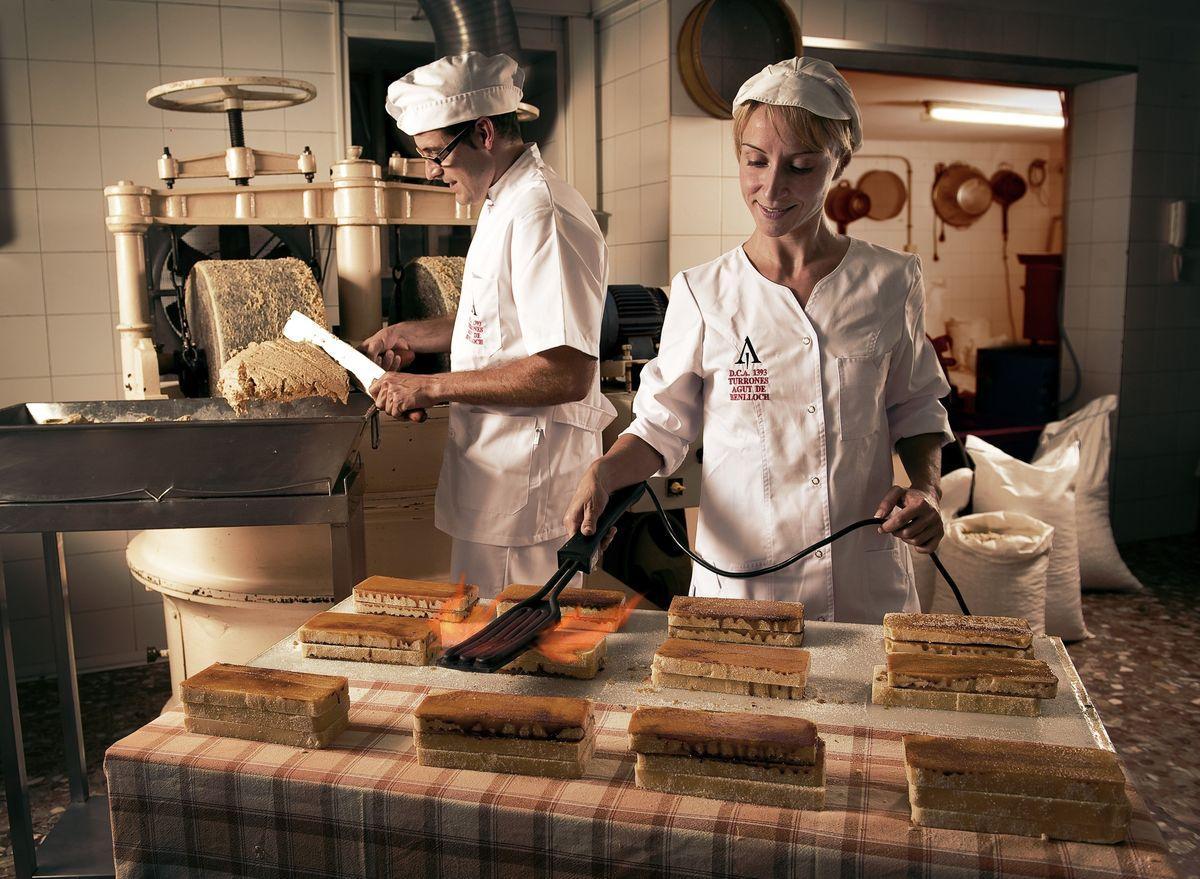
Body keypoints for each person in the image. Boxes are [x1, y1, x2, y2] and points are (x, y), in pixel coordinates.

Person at [563, 58, 952, 623]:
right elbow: (659, 429)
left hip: (860, 580)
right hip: (744, 581)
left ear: (837, 163)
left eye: (800, 166)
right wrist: (603, 471)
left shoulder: (891, 281)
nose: (772, 187)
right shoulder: (702, 292)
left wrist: (927, 490)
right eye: (755, 161)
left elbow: (916, 408)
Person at [364, 52, 615, 597]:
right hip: (498, 479)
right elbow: (500, 320)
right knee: (489, 643)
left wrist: (429, 387)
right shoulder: (504, 204)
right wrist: (412, 334)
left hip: (529, 494)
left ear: (484, 132)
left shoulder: (540, 214)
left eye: (436, 154)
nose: (431, 171)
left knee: (521, 653)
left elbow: (567, 372)